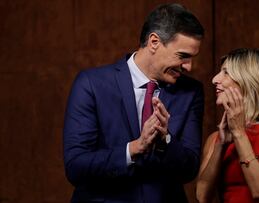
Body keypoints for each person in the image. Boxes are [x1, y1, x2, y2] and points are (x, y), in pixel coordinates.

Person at [63, 3, 204, 203]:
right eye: (183, 56)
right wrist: (135, 148)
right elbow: (76, 166)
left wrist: (165, 141)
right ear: (154, 42)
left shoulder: (191, 91)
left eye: (192, 58)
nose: (189, 67)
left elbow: (189, 170)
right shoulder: (91, 84)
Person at [196, 48, 259, 203]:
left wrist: (239, 134)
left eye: (226, 72)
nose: (215, 79)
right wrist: (221, 145)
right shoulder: (215, 138)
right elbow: (202, 197)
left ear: (250, 81)